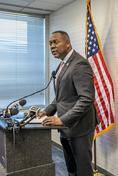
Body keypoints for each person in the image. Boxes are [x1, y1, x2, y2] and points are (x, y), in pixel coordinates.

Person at [38, 30, 100, 176]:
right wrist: (46, 111)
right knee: (71, 168)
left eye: (56, 42)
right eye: (50, 43)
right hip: (66, 127)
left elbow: (87, 99)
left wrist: (62, 119)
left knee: (83, 170)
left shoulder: (79, 64)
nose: (52, 46)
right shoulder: (63, 64)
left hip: (79, 127)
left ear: (67, 43)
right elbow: (61, 97)